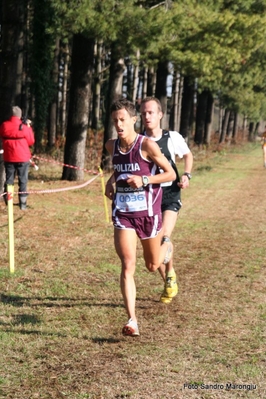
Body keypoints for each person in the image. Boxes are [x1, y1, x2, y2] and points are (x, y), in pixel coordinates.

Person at [105, 98, 176, 336]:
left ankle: (166, 248)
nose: (119, 124)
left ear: (134, 120)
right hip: (123, 214)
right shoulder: (111, 146)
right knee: (127, 265)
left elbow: (170, 174)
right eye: (115, 120)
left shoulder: (147, 146)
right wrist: (111, 180)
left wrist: (145, 179)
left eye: (123, 119)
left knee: (152, 264)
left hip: (147, 214)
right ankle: (132, 320)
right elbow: (119, 167)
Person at [140, 97, 193, 304]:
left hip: (170, 195)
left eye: (151, 112)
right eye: (143, 113)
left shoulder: (172, 137)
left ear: (160, 115)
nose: (147, 116)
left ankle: (170, 273)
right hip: (149, 198)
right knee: (153, 249)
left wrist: (187, 175)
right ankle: (169, 279)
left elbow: (188, 156)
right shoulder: (139, 141)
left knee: (163, 237)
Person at [0, 106, 35, 210]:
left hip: (9, 157)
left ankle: (8, 200)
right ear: (20, 115)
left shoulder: (4, 125)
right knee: (23, 180)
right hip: (23, 157)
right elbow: (31, 141)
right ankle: (23, 204)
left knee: (9, 179)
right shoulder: (24, 127)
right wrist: (29, 127)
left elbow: (2, 136)